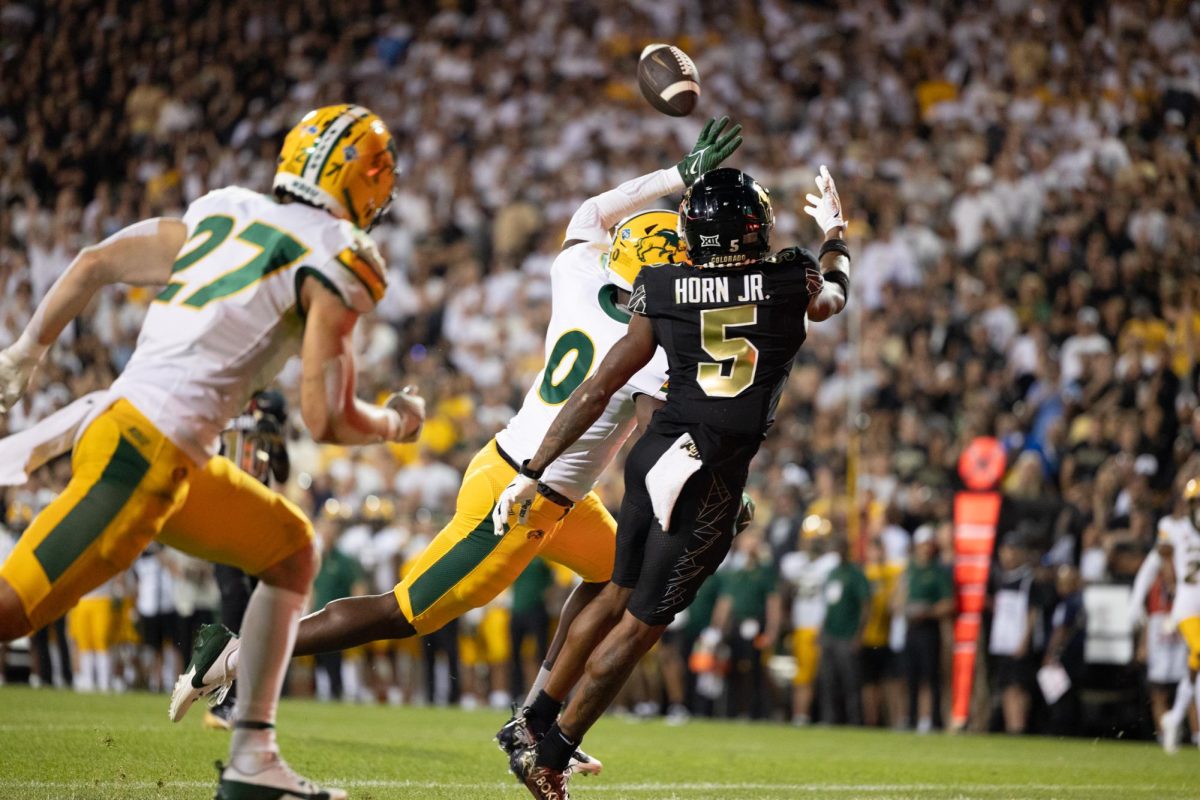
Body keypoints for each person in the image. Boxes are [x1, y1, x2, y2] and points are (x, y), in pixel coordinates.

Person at [173, 119, 745, 777]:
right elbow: (657, 435)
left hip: (543, 488)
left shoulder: (580, 272)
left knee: (612, 575)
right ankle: (234, 656)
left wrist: (677, 175)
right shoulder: (648, 350)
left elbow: (593, 212)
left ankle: (534, 720)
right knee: (400, 613)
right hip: (522, 498)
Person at [0, 103, 424, 800]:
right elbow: (324, 417)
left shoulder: (226, 208)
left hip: (150, 441)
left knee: (290, 548)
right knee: (12, 611)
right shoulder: (338, 257)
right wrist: (397, 424)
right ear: (361, 177)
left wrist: (26, 351)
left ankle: (254, 755)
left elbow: (94, 263)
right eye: (378, 172)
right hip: (143, 454)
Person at [495, 165, 850, 797]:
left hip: (653, 452)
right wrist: (836, 238)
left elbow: (598, 387)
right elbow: (834, 298)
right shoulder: (790, 276)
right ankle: (549, 756)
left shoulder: (663, 285)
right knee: (637, 627)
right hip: (707, 477)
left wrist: (534, 469)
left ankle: (533, 721)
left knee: (612, 596)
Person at [1128, 478, 1200, 753]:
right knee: (1198, 652)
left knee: (1195, 665)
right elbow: (1152, 564)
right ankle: (1175, 721)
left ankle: (1178, 720)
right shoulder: (1173, 528)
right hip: (1188, 603)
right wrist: (1137, 599)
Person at [901, 525, 954, 733]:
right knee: (911, 676)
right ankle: (911, 718)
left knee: (930, 676)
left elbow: (949, 602)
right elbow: (901, 597)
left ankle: (934, 719)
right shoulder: (911, 569)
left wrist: (928, 612)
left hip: (929, 628)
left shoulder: (938, 571)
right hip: (911, 627)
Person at [818, 536, 871, 725]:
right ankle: (830, 719)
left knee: (851, 681)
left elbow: (865, 605)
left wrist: (858, 635)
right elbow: (828, 604)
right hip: (830, 633)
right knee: (829, 680)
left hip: (847, 635)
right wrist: (822, 629)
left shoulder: (856, 574)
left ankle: (854, 720)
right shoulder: (832, 573)